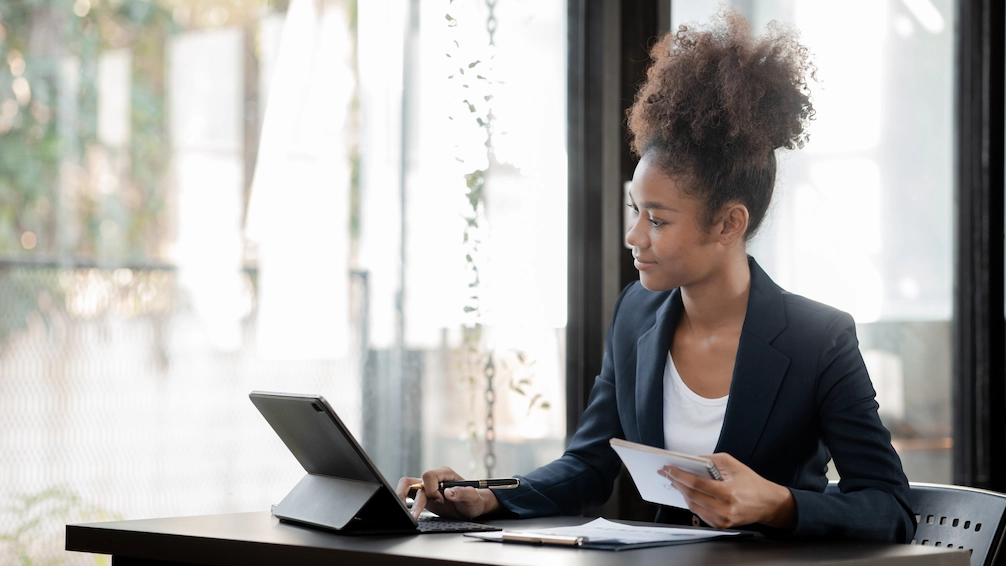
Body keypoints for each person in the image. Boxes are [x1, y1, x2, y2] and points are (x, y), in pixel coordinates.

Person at [396, 9, 915, 543]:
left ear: (729, 223)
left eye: (658, 219)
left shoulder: (817, 339)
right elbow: (588, 466)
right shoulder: (635, 316)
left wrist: (778, 503)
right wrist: (488, 497)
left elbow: (890, 507)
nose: (634, 236)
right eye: (635, 210)